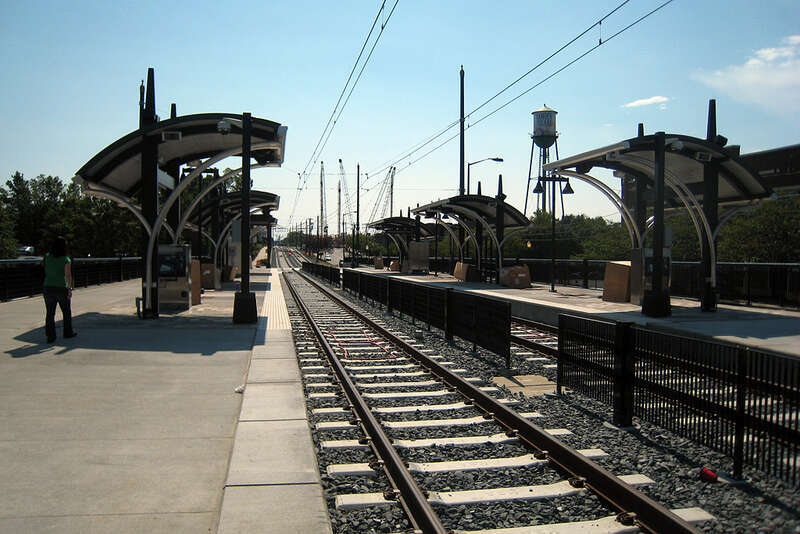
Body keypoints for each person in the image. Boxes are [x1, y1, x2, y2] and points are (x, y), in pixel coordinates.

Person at [42, 236, 77, 343]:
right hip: (61, 287)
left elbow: (45, 269)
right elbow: (68, 275)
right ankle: (67, 332)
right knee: (66, 312)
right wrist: (70, 288)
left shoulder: (47, 256)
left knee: (50, 313)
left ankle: (50, 336)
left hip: (48, 286)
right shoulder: (66, 259)